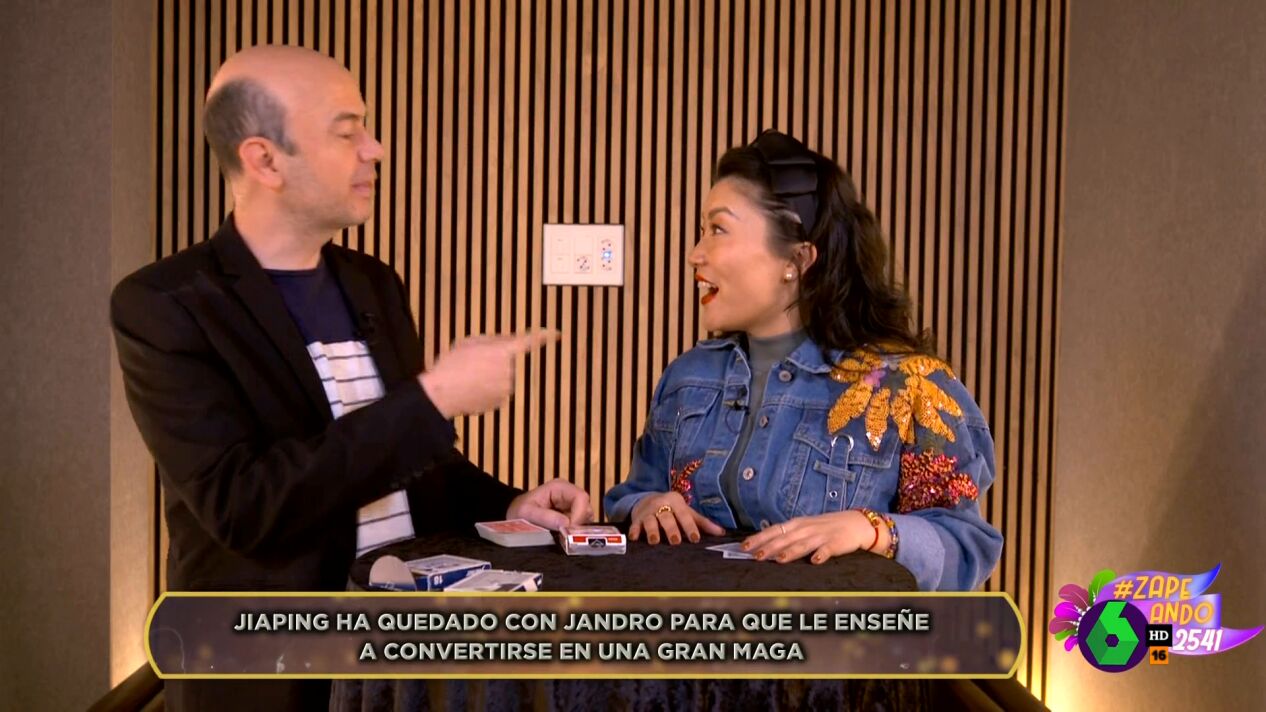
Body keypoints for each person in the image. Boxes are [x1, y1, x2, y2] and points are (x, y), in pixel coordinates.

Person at [111, 45, 592, 711]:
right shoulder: (166, 304)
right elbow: (245, 507)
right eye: (347, 132)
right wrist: (434, 397)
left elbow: (411, 464)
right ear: (264, 160)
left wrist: (508, 505)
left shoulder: (374, 283)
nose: (375, 149)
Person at [604, 130, 1002, 592]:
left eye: (718, 229)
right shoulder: (688, 377)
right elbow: (631, 498)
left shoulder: (912, 386)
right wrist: (646, 505)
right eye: (701, 231)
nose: (696, 254)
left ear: (797, 258)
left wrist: (870, 529)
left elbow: (966, 548)